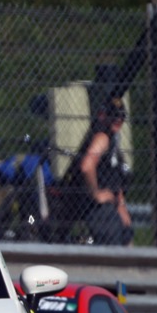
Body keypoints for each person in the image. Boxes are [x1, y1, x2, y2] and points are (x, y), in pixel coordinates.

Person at [58, 97, 133, 246]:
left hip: (111, 205)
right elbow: (87, 166)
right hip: (95, 207)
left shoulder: (113, 139)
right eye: (113, 115)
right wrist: (95, 193)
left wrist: (120, 204)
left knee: (126, 233)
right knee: (113, 243)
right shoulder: (102, 137)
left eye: (121, 116)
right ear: (102, 115)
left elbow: (114, 176)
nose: (118, 119)